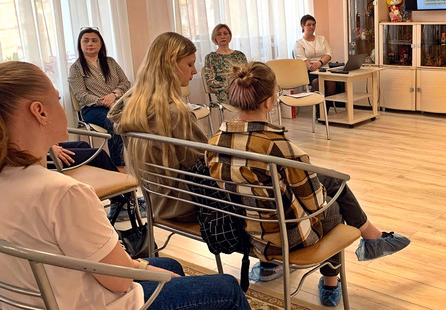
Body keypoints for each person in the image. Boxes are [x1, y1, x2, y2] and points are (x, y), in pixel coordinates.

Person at [0, 61, 250, 310]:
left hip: (39, 299)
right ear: (40, 112)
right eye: (57, 98)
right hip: (93, 303)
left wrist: (142, 266)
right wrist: (141, 268)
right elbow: (118, 281)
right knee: (227, 289)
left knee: (169, 265)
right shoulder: (64, 193)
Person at [207, 61, 411, 307]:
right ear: (269, 102)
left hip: (245, 230)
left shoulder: (214, 142)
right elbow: (316, 204)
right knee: (334, 204)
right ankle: (332, 281)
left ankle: (271, 267)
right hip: (286, 238)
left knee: (329, 180)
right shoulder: (278, 148)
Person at [110, 32, 207, 223]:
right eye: (190, 64)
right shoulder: (176, 113)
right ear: (170, 65)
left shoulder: (131, 108)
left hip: (155, 201)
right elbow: (203, 164)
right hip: (186, 205)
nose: (194, 71)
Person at [68, 27, 130, 166]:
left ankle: (139, 160)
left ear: (100, 44)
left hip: (118, 103)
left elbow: (126, 82)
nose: (90, 43)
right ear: (80, 44)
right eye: (86, 41)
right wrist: (106, 102)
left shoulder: (111, 62)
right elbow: (82, 96)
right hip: (92, 109)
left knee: (140, 118)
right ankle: (119, 166)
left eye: (94, 40)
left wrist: (114, 95)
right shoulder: (76, 68)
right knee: (115, 123)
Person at [203, 24, 247, 104]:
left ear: (230, 36)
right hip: (225, 92)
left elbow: (247, 74)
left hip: (243, 88)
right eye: (219, 34)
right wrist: (231, 86)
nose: (222, 37)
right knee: (246, 101)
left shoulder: (240, 55)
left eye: (225, 33)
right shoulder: (211, 57)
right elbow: (211, 82)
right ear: (215, 38)